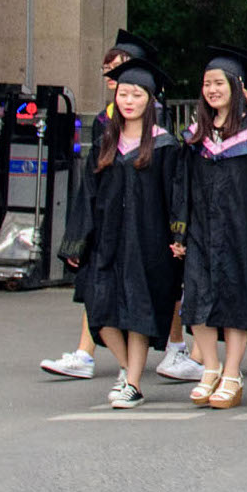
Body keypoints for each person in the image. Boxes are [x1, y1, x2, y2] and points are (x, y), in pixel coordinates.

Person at [60, 58, 186, 409]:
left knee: (139, 315)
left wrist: (178, 236)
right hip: (107, 242)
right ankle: (127, 369)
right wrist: (77, 240)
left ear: (150, 101)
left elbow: (175, 196)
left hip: (148, 244)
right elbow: (86, 196)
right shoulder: (104, 143)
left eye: (137, 95)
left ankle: (131, 383)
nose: (129, 101)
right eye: (124, 95)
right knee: (100, 314)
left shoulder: (165, 146)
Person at [41, 30, 157, 382]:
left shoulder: (157, 130)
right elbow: (91, 187)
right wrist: (79, 237)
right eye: (112, 69)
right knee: (99, 294)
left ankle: (176, 352)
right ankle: (89, 354)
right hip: (109, 227)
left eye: (121, 66)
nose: (114, 75)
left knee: (146, 296)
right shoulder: (107, 124)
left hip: (143, 227)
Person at [175, 50, 247, 409]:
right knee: (197, 300)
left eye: (219, 83)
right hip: (202, 231)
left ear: (236, 87)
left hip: (242, 231)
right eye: (207, 84)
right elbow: (182, 186)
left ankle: (233, 373)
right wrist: (179, 231)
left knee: (236, 302)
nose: (211, 90)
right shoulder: (196, 137)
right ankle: (210, 368)